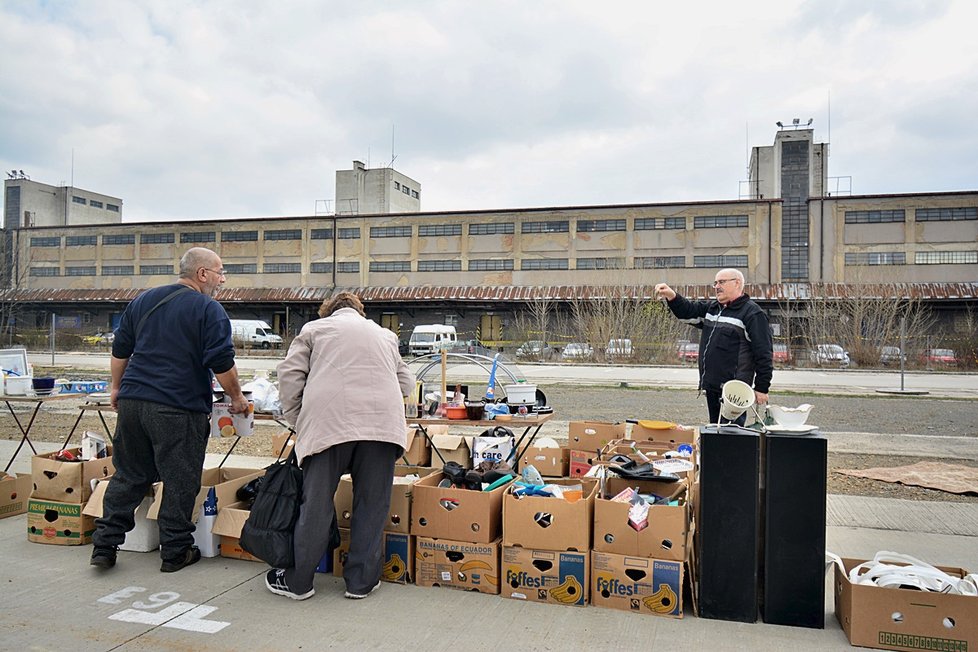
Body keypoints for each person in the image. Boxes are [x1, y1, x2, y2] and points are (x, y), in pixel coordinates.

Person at [90, 247, 249, 572]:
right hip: (177, 405)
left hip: (134, 402)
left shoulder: (144, 300)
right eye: (220, 272)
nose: (223, 279)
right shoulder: (209, 308)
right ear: (202, 273)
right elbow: (221, 361)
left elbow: (121, 350)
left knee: (130, 474)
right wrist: (237, 398)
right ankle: (175, 551)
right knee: (180, 478)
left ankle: (104, 545)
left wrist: (117, 388)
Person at [267, 292, 414, 601]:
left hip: (328, 423)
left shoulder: (313, 330)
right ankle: (361, 581)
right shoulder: (385, 335)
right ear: (360, 311)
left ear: (328, 311)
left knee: (316, 503)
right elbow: (406, 384)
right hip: (381, 426)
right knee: (372, 505)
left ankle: (299, 581)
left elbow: (289, 376)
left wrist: (297, 419)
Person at [655, 268, 773, 425]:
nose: (717, 286)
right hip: (712, 385)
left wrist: (762, 387)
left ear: (737, 283)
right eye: (715, 283)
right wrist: (671, 296)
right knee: (715, 431)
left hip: (734, 390)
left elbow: (763, 353)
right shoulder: (713, 308)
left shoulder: (752, 314)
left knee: (731, 435)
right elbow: (688, 311)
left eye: (722, 282)